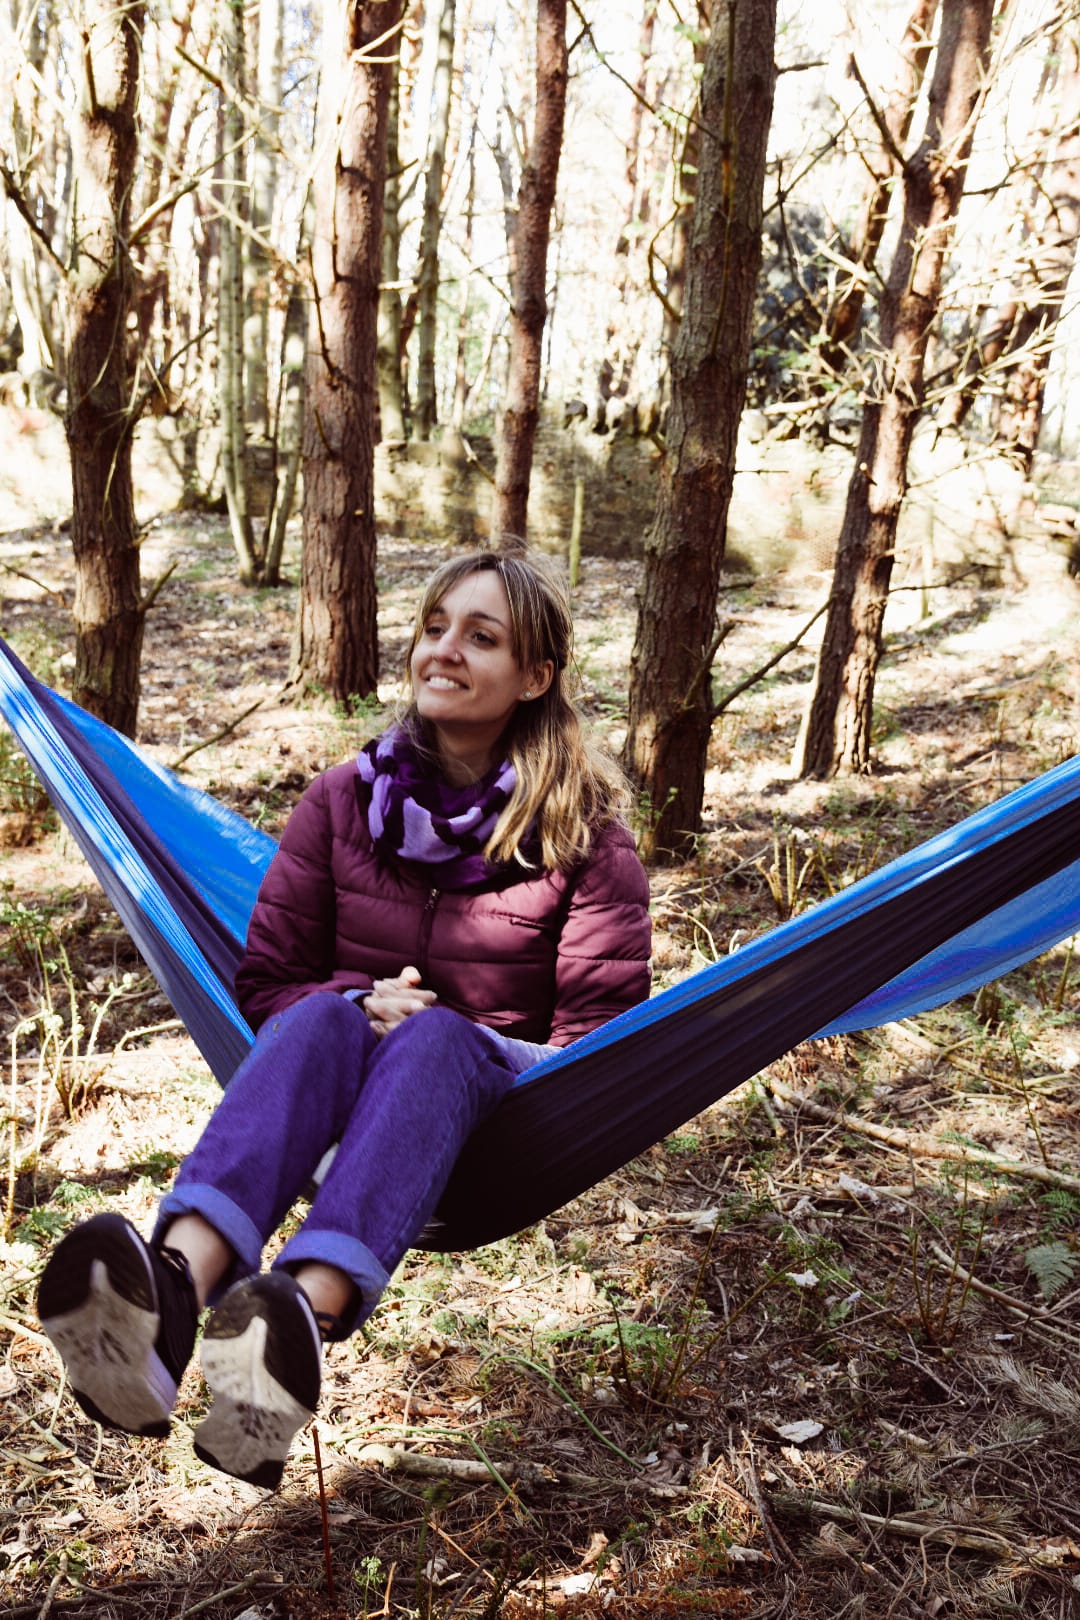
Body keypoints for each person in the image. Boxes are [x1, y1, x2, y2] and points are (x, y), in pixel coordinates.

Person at [36, 548, 652, 1490]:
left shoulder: (584, 836)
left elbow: (601, 1047)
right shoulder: (342, 802)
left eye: (480, 637)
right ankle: (171, 1296)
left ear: (536, 678)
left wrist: (454, 1034)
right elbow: (269, 984)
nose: (444, 650)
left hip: (500, 1115)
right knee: (323, 1017)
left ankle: (294, 1328)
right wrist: (362, 1006)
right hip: (334, 1087)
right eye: (436, 626)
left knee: (439, 1034)